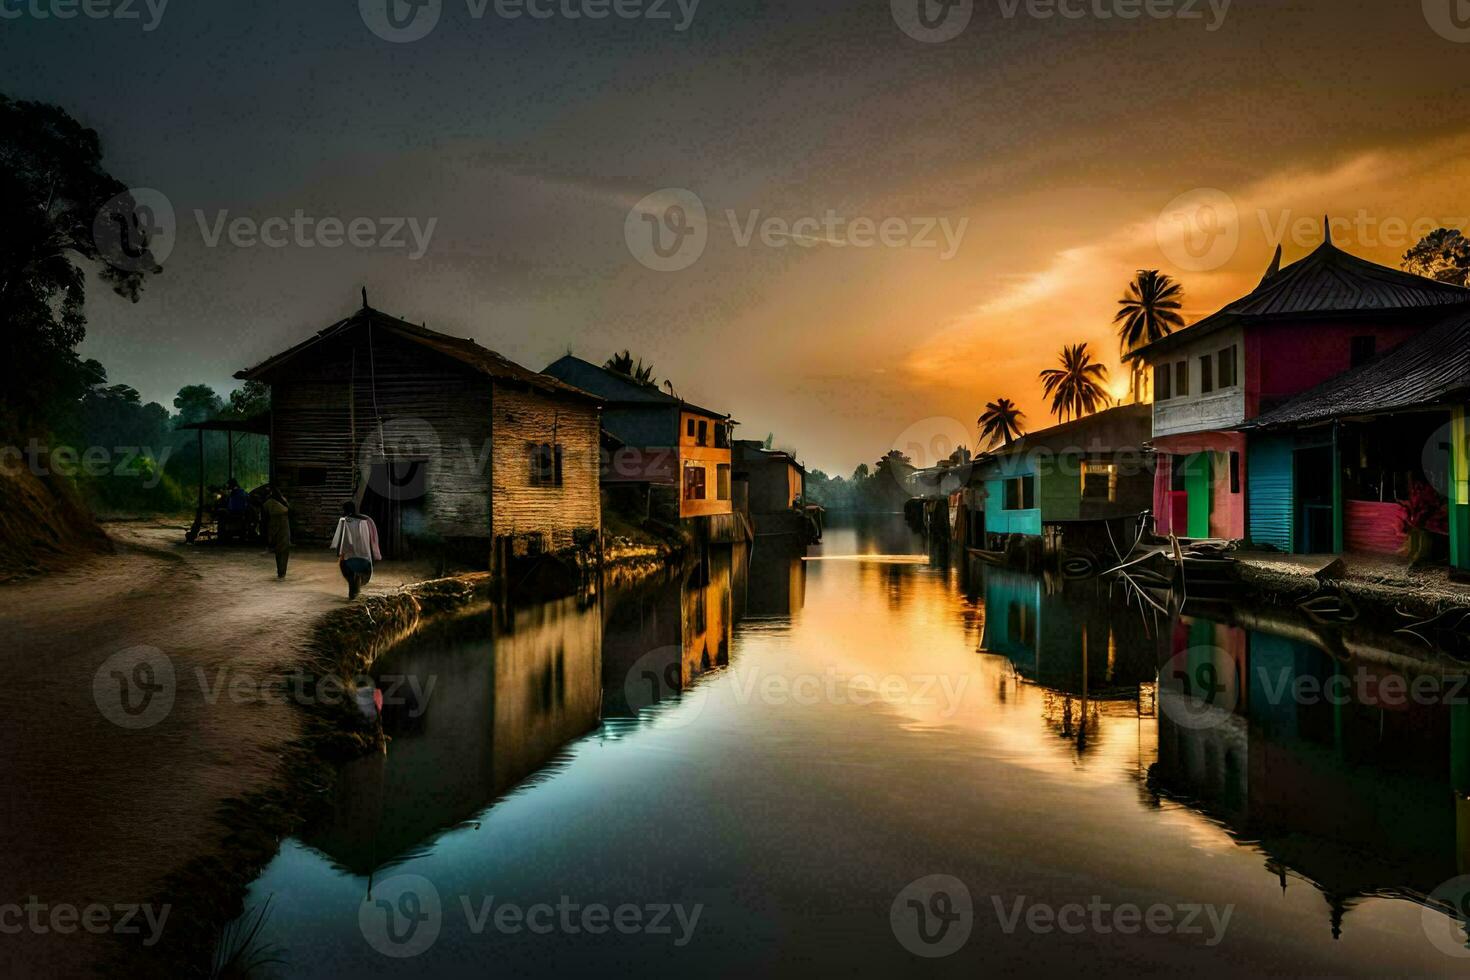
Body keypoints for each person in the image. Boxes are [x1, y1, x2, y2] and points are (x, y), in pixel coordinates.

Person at [331, 500, 382, 600]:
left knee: (345, 562)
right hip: (367, 561)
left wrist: (339, 554)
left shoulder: (345, 521)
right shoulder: (368, 520)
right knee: (355, 567)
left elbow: (343, 542)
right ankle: (355, 589)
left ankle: (353, 591)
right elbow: (373, 541)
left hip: (350, 562)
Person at [261, 486, 291, 579]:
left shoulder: (267, 504)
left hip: (274, 529)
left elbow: (264, 520)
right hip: (284, 529)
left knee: (279, 552)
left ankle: (280, 572)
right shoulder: (283, 501)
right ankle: (282, 572)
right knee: (283, 551)